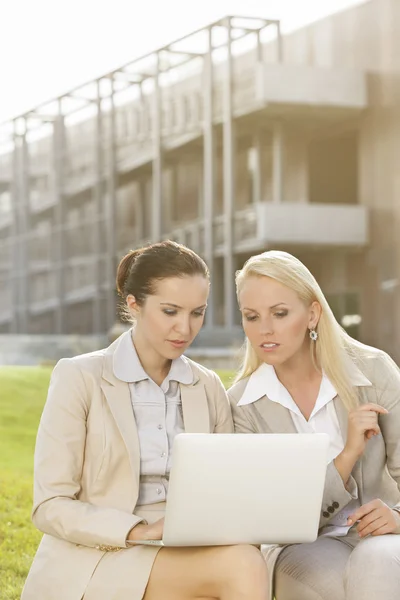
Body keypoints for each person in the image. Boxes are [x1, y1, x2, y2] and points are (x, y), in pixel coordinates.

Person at [22, 240, 269, 600]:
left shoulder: (208, 386)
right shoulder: (80, 376)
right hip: (99, 555)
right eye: (170, 311)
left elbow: (222, 492)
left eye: (197, 313)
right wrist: (139, 530)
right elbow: (50, 505)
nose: (185, 328)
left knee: (247, 555)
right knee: (244, 566)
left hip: (183, 548)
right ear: (134, 305)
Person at [228, 250, 400, 600]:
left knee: (376, 563)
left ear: (312, 314)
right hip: (302, 544)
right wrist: (348, 455)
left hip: (381, 537)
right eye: (252, 316)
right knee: (338, 585)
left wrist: (398, 516)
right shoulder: (241, 405)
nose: (265, 329)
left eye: (280, 313)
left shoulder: (374, 371)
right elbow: (271, 513)